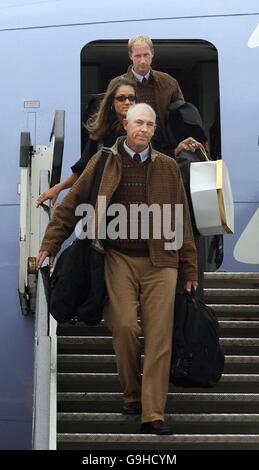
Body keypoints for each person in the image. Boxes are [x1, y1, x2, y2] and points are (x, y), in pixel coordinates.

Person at [36, 103, 198, 435]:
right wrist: (48, 245)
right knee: (124, 326)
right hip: (117, 257)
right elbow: (69, 207)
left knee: (159, 336)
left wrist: (190, 268)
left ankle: (153, 414)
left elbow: (182, 219)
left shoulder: (168, 167)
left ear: (154, 130)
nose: (144, 129)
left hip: (162, 261)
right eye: (139, 122)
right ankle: (131, 393)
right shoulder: (102, 162)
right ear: (125, 124)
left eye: (150, 125)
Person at [36, 77, 137, 206]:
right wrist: (59, 187)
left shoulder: (145, 129)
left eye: (131, 98)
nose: (127, 102)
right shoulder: (101, 132)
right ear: (112, 101)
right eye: (121, 98)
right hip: (106, 201)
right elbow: (83, 169)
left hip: (137, 200)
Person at [107, 34, 203, 156]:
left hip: (165, 148)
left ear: (152, 53)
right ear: (130, 56)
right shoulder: (117, 84)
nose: (143, 61)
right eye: (138, 56)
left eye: (146, 55)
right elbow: (108, 119)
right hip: (129, 147)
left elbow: (182, 117)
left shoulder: (169, 83)